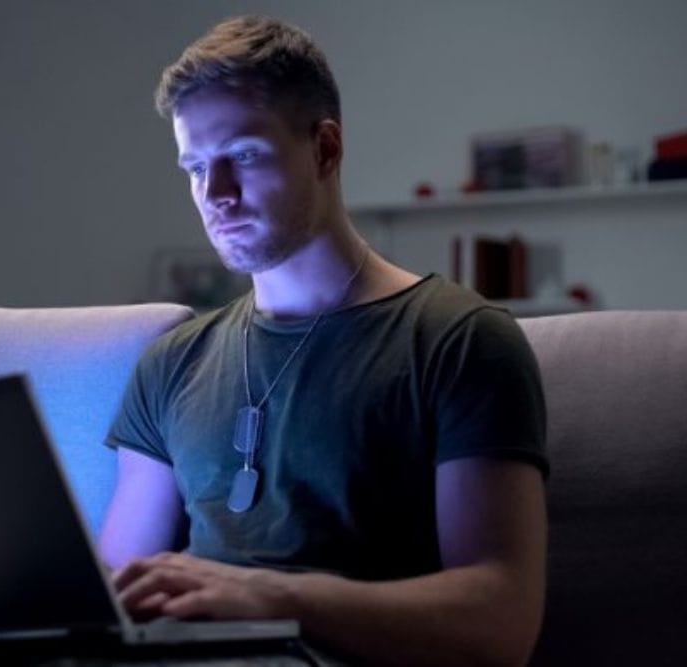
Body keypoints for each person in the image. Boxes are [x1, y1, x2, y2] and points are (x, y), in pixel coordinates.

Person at [99, 15, 548, 665]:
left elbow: (501, 622)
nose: (214, 194)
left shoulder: (459, 341)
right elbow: (116, 595)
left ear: (325, 149)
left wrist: (272, 596)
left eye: (243, 156)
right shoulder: (172, 361)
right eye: (194, 166)